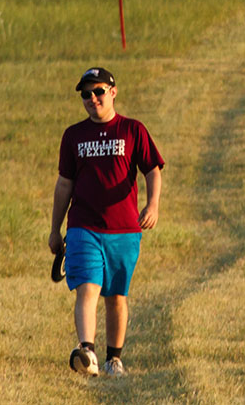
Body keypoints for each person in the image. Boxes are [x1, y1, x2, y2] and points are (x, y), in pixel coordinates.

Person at [49, 66, 164, 378]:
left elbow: (152, 169)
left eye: (98, 92)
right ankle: (87, 351)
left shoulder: (132, 130)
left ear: (113, 92)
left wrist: (152, 204)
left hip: (124, 229)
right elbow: (64, 185)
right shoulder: (73, 135)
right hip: (83, 226)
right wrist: (55, 229)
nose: (92, 98)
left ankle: (115, 359)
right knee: (87, 287)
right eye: (86, 94)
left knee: (116, 296)